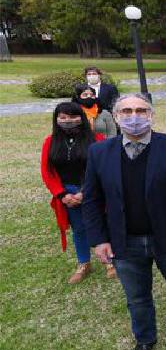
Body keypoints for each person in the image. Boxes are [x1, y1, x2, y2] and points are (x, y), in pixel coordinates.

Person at [82, 93, 166, 350]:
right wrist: (99, 239)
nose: (133, 116)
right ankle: (145, 340)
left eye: (140, 110)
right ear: (115, 117)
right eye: (126, 111)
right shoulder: (99, 152)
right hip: (124, 241)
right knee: (137, 297)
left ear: (151, 115)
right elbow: (91, 199)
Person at [40, 102, 113, 283]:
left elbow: (103, 169)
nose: (67, 121)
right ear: (56, 119)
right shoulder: (50, 142)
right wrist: (62, 194)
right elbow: (47, 171)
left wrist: (85, 192)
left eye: (72, 117)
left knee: (101, 224)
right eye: (63, 117)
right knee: (79, 229)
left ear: (81, 117)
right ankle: (83, 263)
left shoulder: (97, 139)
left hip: (93, 191)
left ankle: (109, 260)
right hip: (67, 194)